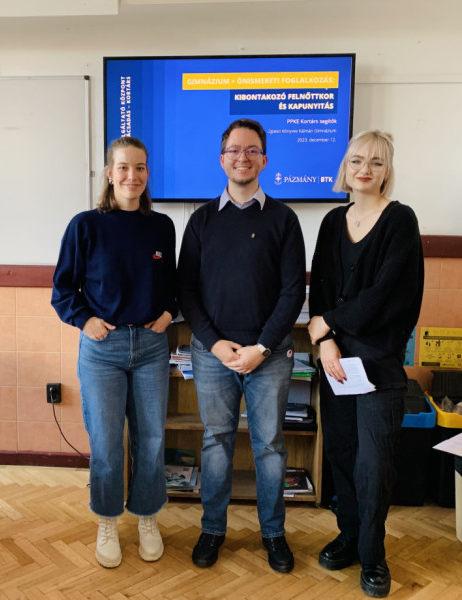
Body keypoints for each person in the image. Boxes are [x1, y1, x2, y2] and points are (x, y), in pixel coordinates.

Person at [177, 119, 306, 573]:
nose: (242, 158)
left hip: (268, 356)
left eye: (252, 150)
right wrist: (215, 345)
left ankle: (273, 534)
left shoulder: (284, 220)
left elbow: (293, 292)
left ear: (264, 160)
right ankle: (213, 528)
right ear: (222, 159)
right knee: (216, 442)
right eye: (234, 150)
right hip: (213, 355)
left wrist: (261, 348)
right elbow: (186, 291)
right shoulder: (201, 221)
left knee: (270, 445)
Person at [51, 136, 177, 569]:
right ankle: (107, 520)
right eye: (123, 167)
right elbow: (62, 290)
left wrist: (169, 312)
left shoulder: (162, 227)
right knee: (106, 442)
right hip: (102, 349)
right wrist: (83, 319)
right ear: (109, 174)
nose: (132, 176)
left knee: (151, 439)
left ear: (147, 173)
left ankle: (146, 516)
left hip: (151, 348)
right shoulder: (85, 225)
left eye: (140, 168)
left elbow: (174, 285)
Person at [308, 130, 424, 598]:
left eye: (377, 162)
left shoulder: (401, 220)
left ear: (387, 171)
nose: (365, 169)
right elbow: (320, 290)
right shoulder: (332, 221)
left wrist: (328, 324)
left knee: (374, 464)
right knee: (341, 453)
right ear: (345, 167)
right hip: (336, 363)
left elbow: (387, 295)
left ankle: (374, 555)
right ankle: (349, 536)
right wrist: (326, 342)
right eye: (357, 160)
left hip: (378, 366)